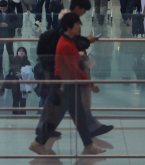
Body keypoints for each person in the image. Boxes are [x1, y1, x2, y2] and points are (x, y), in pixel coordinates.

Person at [30, 13, 106, 156]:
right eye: (77, 24)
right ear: (68, 27)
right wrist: (90, 84)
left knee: (79, 117)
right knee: (59, 117)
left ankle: (88, 145)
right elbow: (74, 69)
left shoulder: (68, 42)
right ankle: (38, 142)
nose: (79, 27)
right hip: (66, 86)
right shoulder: (65, 44)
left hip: (67, 85)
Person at [6, 47, 32, 115]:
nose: (21, 52)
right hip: (15, 83)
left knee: (23, 101)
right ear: (17, 52)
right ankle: (15, 116)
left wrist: (22, 74)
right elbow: (13, 71)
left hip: (24, 83)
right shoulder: (13, 61)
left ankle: (23, 116)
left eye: (23, 51)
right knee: (16, 101)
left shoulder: (27, 62)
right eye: (20, 51)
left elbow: (30, 72)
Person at [0, 0, 17, 64]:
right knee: (0, 50)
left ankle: (12, 65)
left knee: (10, 50)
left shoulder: (12, 12)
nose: (2, 10)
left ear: (7, 7)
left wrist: (7, 25)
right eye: (1, 8)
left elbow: (17, 24)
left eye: (4, 8)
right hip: (0, 34)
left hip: (9, 34)